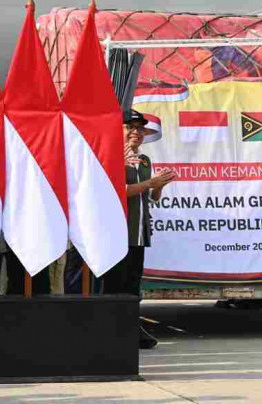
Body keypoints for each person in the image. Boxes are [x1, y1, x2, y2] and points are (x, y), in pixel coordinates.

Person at [103, 109, 176, 349]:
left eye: (139, 128)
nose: (136, 132)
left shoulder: (144, 160)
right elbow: (116, 193)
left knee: (133, 286)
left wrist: (159, 186)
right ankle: (114, 333)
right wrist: (149, 183)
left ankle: (132, 328)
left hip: (139, 232)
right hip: (118, 234)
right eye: (129, 127)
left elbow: (151, 198)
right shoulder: (111, 156)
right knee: (115, 287)